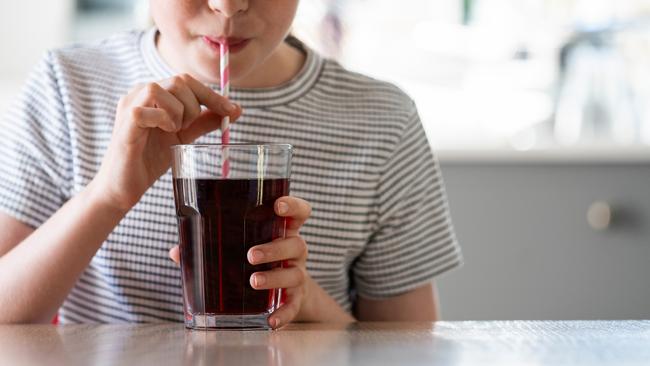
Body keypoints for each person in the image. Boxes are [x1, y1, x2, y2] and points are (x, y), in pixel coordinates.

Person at [0, 0, 462, 327]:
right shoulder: (68, 86)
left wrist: (308, 306)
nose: (228, 6)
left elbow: (411, 348)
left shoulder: (383, 120)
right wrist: (107, 195)